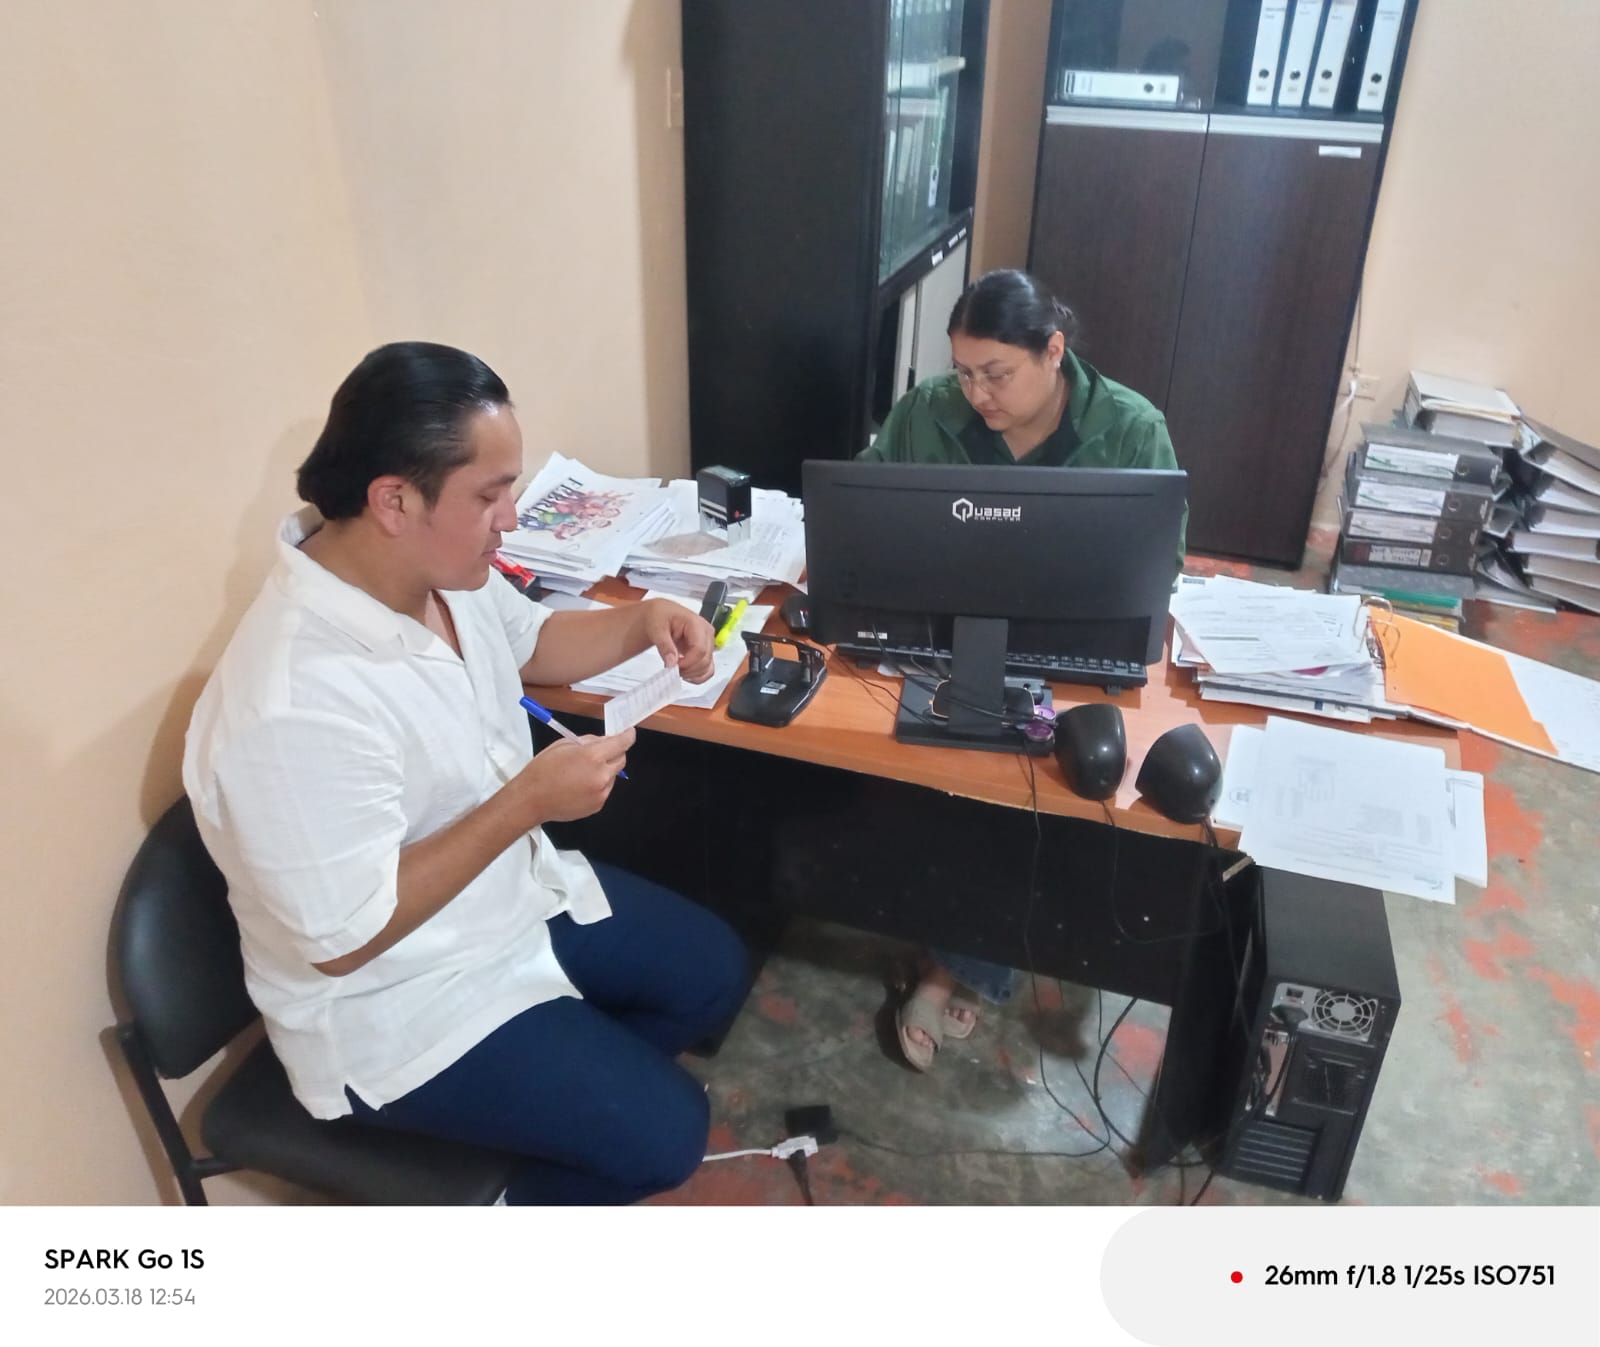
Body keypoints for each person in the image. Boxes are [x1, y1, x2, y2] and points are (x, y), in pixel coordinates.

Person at [183, 341, 749, 1203]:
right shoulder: (291, 702)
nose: (510, 518)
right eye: (490, 495)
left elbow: (533, 643)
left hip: (505, 903)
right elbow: (344, 938)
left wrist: (643, 622)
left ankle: (572, 1106)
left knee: (713, 969)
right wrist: (526, 803)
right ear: (394, 499)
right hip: (399, 1002)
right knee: (669, 1136)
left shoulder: (444, 570)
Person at [860, 268, 1183, 1070]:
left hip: (1073, 655)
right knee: (913, 766)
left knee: (1024, 784)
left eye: (996, 374)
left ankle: (953, 965)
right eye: (964, 372)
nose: (976, 394)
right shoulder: (928, 413)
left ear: (1054, 351)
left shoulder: (1130, 428)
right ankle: (958, 958)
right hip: (941, 635)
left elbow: (1161, 565)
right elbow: (866, 505)